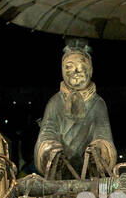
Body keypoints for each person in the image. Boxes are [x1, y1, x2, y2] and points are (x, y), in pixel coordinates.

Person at [34, 38, 117, 178]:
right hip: (61, 173)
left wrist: (100, 149)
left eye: (81, 65)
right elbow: (47, 132)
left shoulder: (97, 103)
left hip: (89, 177)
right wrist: (50, 149)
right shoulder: (55, 103)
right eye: (69, 66)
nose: (76, 70)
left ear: (90, 69)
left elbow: (103, 134)